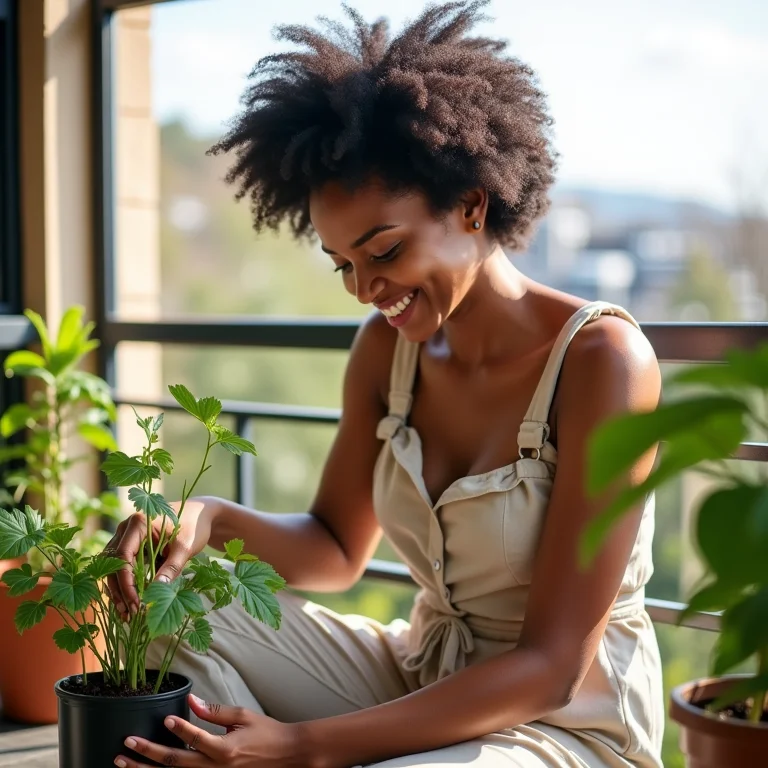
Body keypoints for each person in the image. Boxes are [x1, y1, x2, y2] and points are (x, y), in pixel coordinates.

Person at [106, 2, 664, 766]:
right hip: (419, 678)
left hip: (563, 723)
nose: (363, 289)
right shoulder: (386, 350)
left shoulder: (603, 360)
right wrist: (204, 518)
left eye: (384, 250)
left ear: (472, 206)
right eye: (343, 264)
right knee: (177, 603)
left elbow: (552, 669)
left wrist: (304, 746)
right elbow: (336, 549)